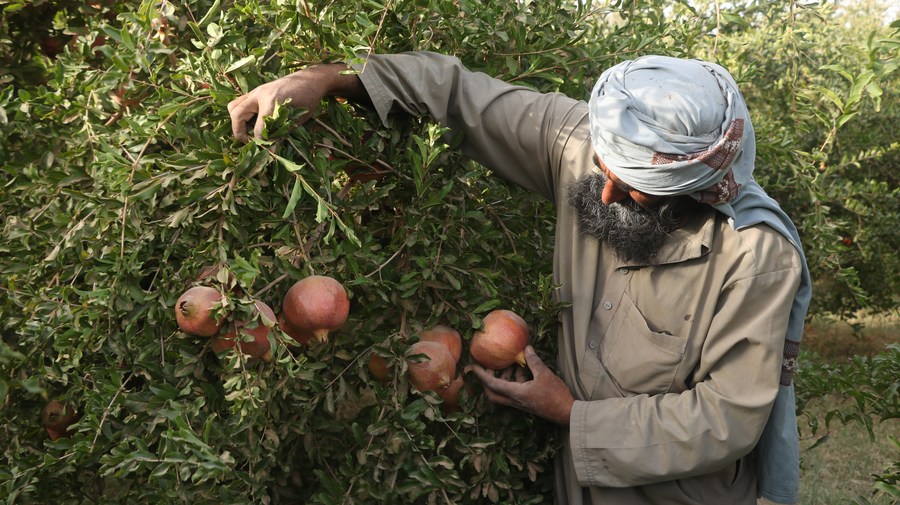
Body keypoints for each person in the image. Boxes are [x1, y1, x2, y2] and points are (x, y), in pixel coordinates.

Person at [228, 51, 811, 505]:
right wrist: (325, 79)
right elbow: (458, 93)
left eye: (635, 188)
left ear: (696, 188)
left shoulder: (757, 257)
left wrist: (570, 413)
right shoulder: (585, 144)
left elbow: (726, 419)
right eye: (604, 167)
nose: (607, 192)